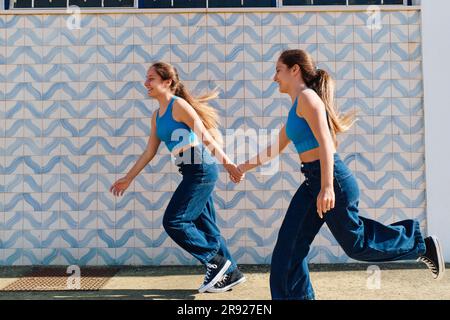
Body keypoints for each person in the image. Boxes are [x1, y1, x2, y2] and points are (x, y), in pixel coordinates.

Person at [236, 49, 445, 300]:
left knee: (356, 245)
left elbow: (326, 143)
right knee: (288, 248)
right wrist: (242, 167)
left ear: (295, 70)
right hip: (314, 181)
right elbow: (274, 148)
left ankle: (420, 244)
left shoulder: (308, 99)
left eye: (278, 70)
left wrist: (327, 187)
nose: (274, 78)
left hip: (331, 179)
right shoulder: (296, 107)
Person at [110, 62, 246, 293]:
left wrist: (229, 164)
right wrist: (128, 177)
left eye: (151, 78)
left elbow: (205, 137)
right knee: (207, 227)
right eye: (147, 78)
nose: (146, 83)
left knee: (175, 221)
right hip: (190, 170)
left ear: (167, 82)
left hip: (201, 168)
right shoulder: (157, 116)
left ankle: (216, 263)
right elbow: (149, 151)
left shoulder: (179, 105)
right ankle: (230, 273)